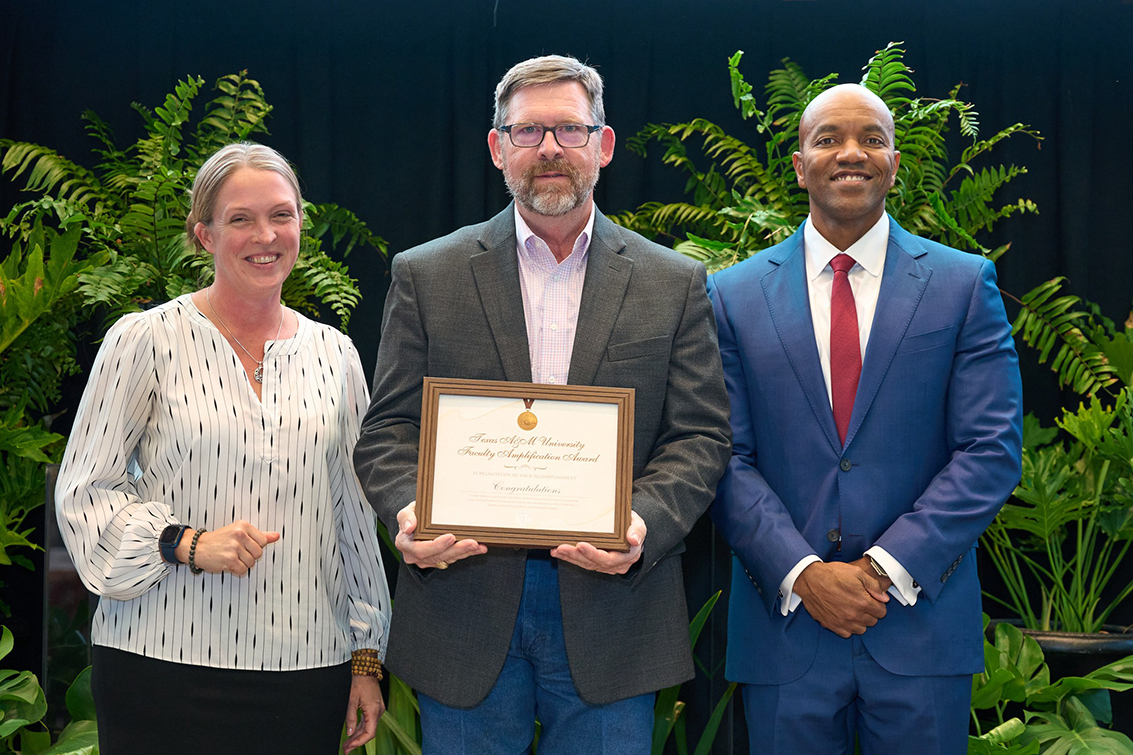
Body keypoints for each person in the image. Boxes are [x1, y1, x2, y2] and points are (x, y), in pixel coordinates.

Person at [353, 54, 731, 753]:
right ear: (498, 148)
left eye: (568, 129)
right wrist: (411, 510)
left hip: (614, 606)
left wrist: (639, 523)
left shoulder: (671, 282)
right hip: (462, 601)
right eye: (528, 132)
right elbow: (387, 432)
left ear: (603, 145)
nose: (550, 148)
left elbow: (700, 436)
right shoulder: (426, 274)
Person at [707, 84, 1023, 754]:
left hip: (918, 625)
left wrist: (880, 568)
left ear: (894, 162)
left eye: (869, 138)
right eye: (827, 138)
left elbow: (989, 448)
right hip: (785, 626)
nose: (850, 152)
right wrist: (804, 572)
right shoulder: (730, 296)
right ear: (799, 165)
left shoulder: (963, 285)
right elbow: (721, 454)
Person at [56, 142, 391, 755]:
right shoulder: (144, 341)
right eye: (240, 219)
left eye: (281, 215)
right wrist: (184, 542)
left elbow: (353, 515)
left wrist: (366, 656)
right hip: (160, 662)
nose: (265, 235)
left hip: (306, 668)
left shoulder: (336, 356)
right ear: (204, 234)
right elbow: (85, 492)